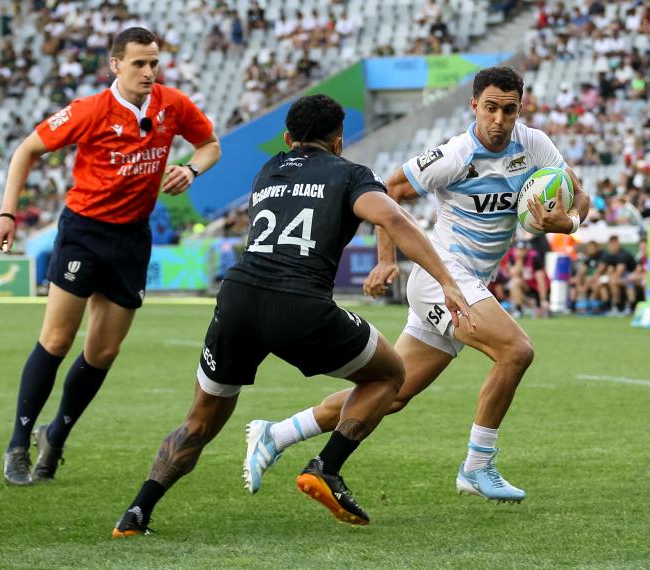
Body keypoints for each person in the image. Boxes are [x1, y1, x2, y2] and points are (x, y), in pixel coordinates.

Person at [111, 94, 475, 537]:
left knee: (200, 420)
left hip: (238, 298)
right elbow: (394, 219)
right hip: (299, 304)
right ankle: (327, 466)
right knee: (389, 375)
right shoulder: (350, 173)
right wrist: (447, 281)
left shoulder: (267, 171)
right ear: (338, 141)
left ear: (287, 139)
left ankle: (136, 513)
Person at [243, 67, 589, 504]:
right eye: (490, 108)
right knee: (516, 351)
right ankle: (477, 466)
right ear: (474, 106)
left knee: (393, 393)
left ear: (520, 108)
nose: (499, 120)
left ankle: (276, 434)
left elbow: (579, 193)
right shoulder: (455, 155)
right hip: (440, 277)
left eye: (509, 110)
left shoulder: (534, 144)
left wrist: (568, 222)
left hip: (471, 283)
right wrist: (386, 259)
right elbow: (389, 189)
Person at [0, 27, 221, 486]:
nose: (149, 72)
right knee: (57, 340)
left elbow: (210, 144)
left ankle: (55, 436)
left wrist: (191, 169)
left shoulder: (172, 105)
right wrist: (7, 213)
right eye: (139, 63)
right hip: (84, 232)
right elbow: (26, 150)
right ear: (115, 65)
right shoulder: (89, 110)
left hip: (132, 238)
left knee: (104, 351)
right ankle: (17, 445)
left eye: (154, 63)